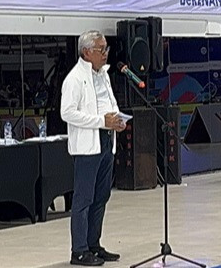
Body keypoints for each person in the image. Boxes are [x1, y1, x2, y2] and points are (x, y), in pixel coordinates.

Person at [61, 30, 125, 266]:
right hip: (88, 146)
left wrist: (117, 120)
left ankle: (93, 245)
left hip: (107, 140)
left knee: (102, 196)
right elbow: (66, 113)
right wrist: (101, 121)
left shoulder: (103, 75)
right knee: (84, 199)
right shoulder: (75, 78)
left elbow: (109, 102)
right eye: (101, 49)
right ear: (87, 52)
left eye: (106, 48)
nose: (105, 53)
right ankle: (78, 250)